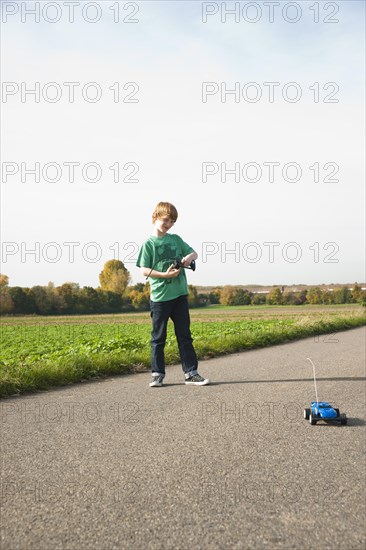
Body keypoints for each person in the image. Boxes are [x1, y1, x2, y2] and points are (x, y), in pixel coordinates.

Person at [136, 201, 210, 387]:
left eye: (172, 221)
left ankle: (191, 374)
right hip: (160, 298)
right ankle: (157, 375)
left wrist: (187, 258)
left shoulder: (176, 239)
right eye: (166, 220)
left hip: (179, 295)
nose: (169, 224)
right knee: (158, 338)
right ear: (155, 218)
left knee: (184, 335)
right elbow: (144, 270)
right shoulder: (148, 244)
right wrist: (164, 275)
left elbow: (194, 253)